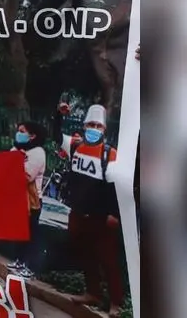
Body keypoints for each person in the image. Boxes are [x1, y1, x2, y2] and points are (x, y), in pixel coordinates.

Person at [65, 105, 123, 316]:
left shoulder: (110, 154)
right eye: (90, 124)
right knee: (84, 253)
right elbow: (54, 136)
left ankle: (116, 302)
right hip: (78, 213)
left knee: (108, 260)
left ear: (104, 129)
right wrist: (59, 115)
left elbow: (116, 187)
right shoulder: (76, 146)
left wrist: (114, 214)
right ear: (84, 125)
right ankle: (93, 292)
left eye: (98, 125)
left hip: (100, 216)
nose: (94, 128)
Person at [8, 121, 47, 279]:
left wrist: (14, 164)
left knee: (31, 233)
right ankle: (19, 260)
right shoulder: (17, 149)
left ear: (32, 135)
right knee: (20, 232)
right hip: (17, 198)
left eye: (22, 131)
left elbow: (26, 176)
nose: (19, 133)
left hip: (32, 201)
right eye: (18, 130)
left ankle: (31, 266)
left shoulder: (37, 153)